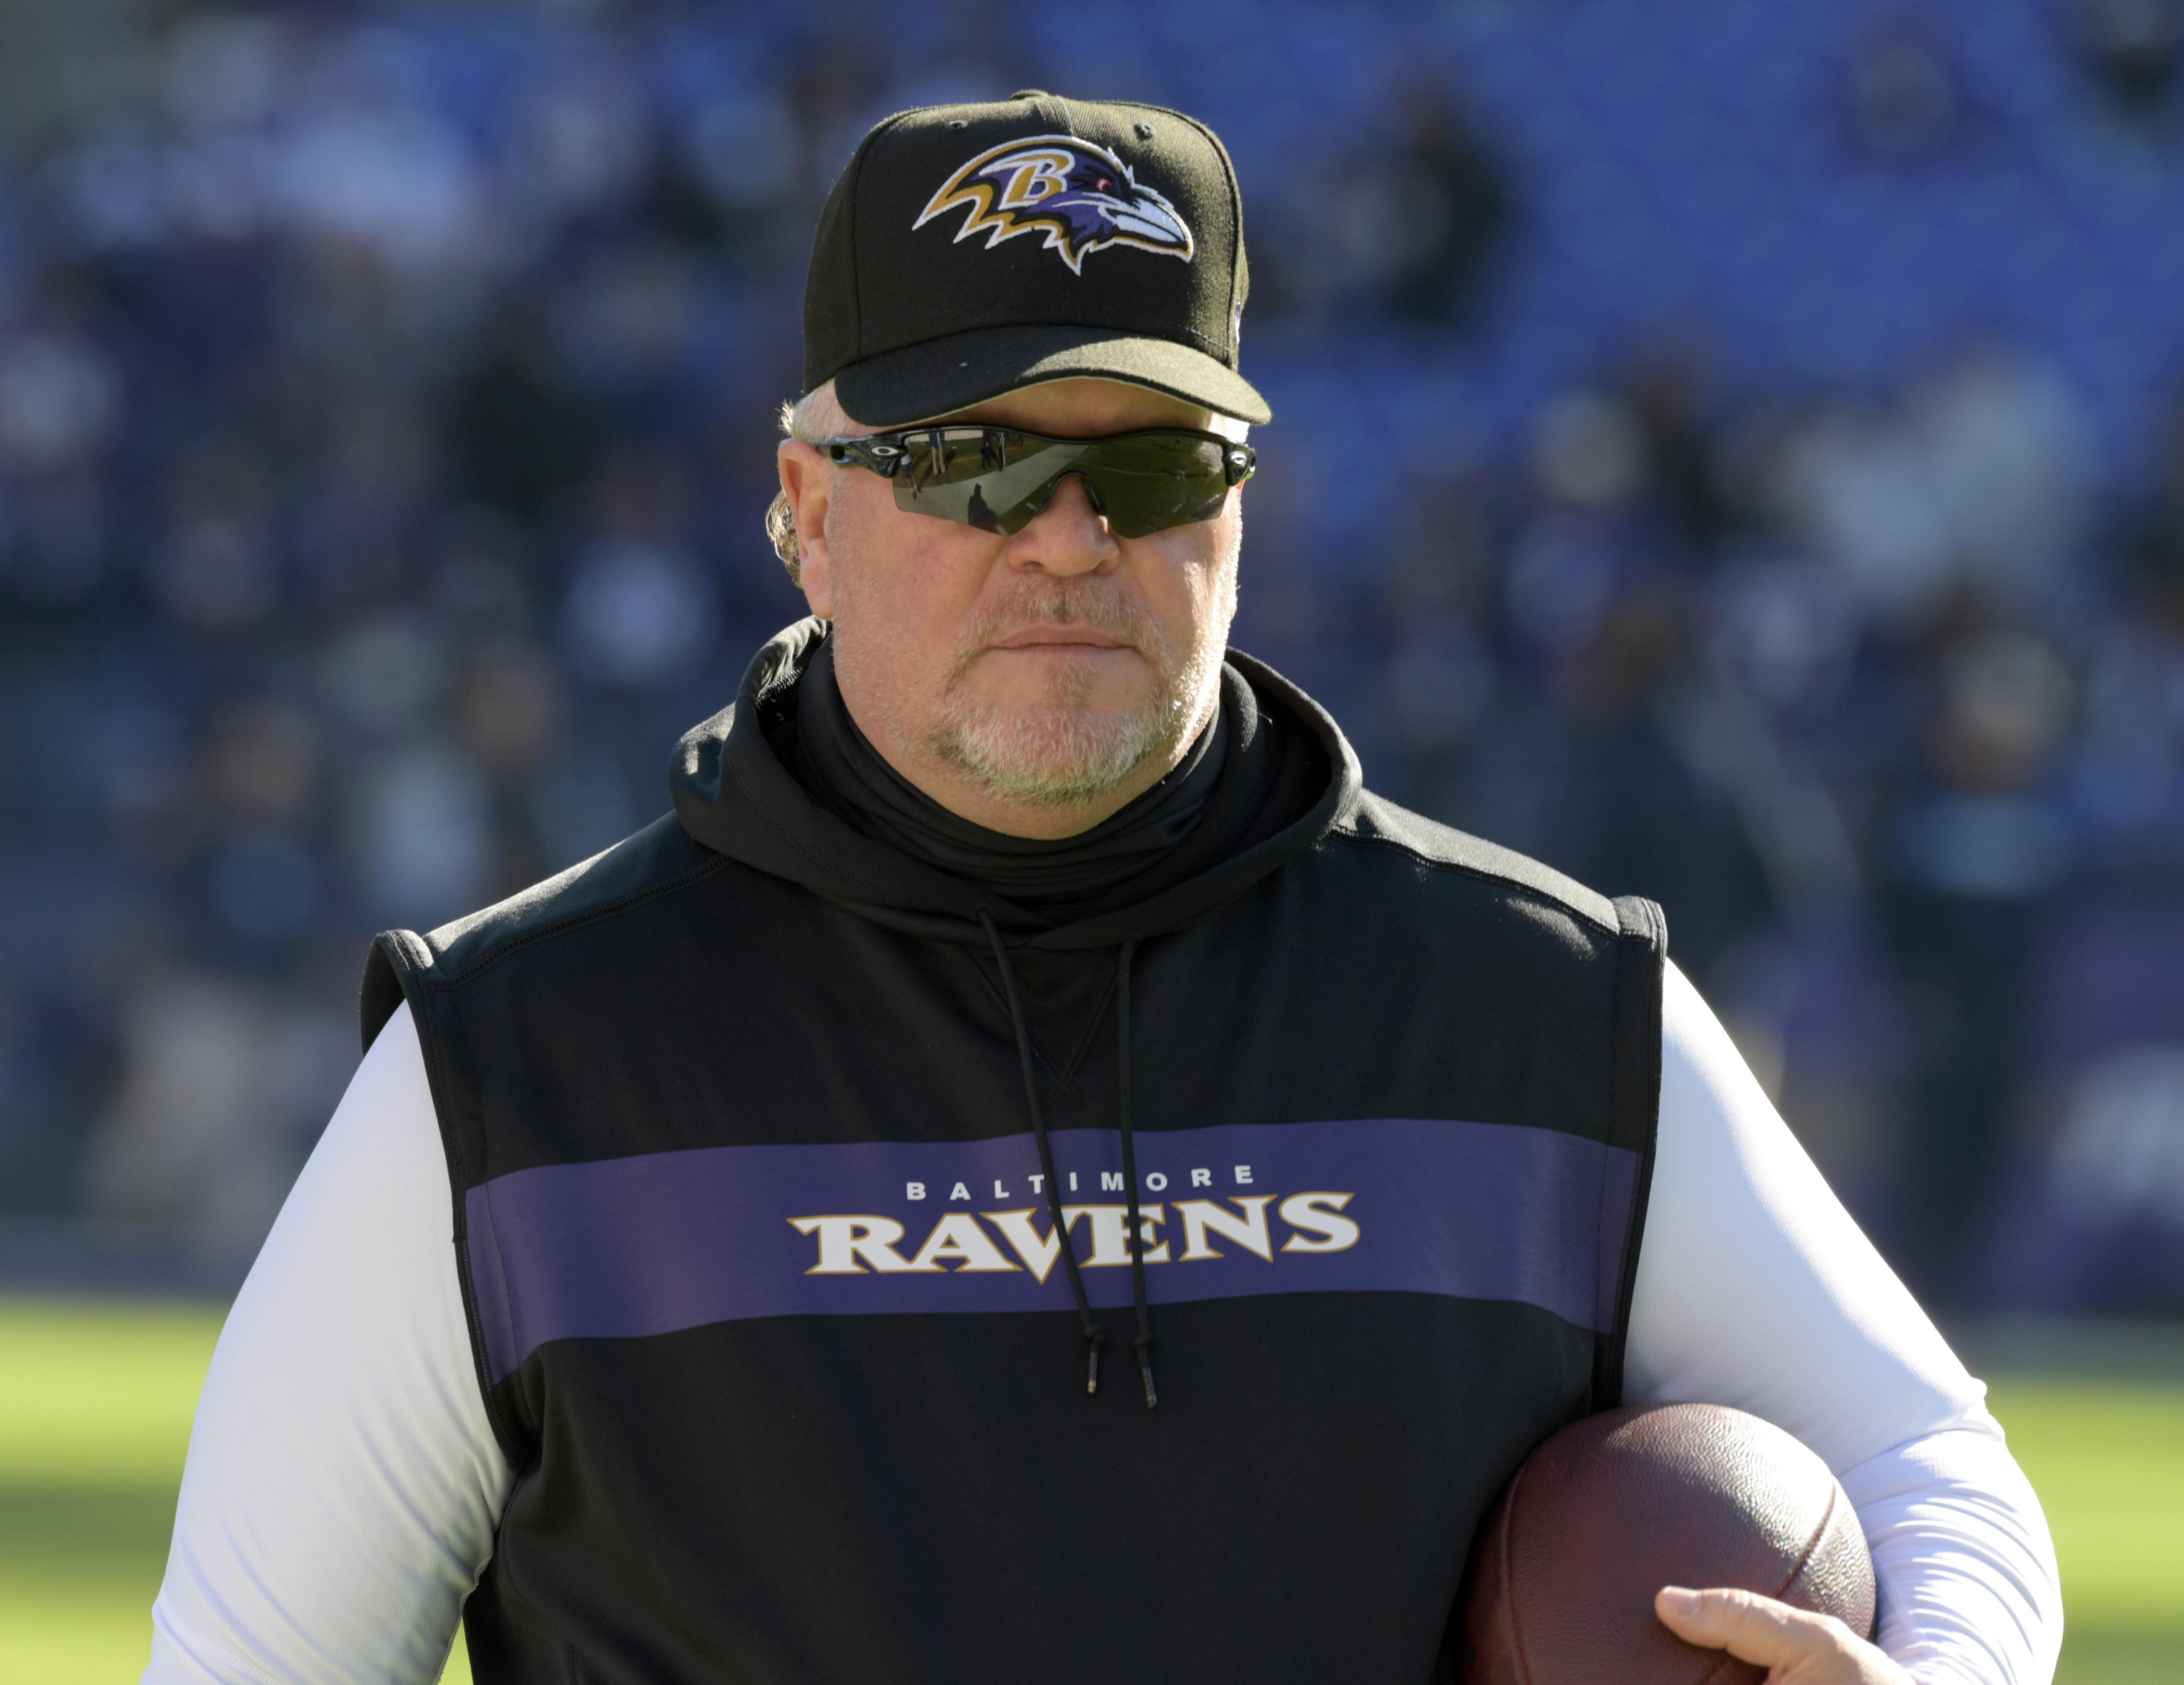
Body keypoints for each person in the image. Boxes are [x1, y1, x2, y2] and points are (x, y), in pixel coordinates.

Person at [143, 93, 2059, 1684]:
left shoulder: (1549, 1010)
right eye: (971, 459)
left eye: (1148, 465)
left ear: (1240, 509)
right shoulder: (511, 1065)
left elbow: (1924, 1463)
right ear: (807, 511)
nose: (1065, 538)